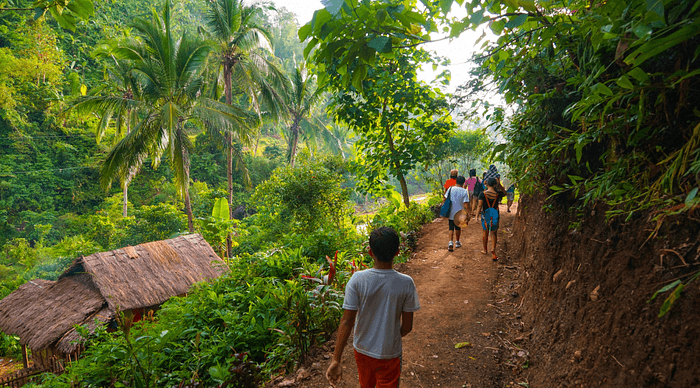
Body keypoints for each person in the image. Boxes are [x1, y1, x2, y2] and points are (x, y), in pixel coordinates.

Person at [326, 227, 420, 388]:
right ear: (397, 252)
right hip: (390, 353)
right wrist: (390, 336)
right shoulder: (406, 283)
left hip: (362, 351)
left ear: (370, 252)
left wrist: (336, 359)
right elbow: (407, 326)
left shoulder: (358, 280)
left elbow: (347, 321)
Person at [477, 178, 505, 261]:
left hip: (485, 215)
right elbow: (505, 193)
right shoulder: (498, 193)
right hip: (495, 214)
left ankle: (485, 250)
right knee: (494, 233)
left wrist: (476, 216)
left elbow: (479, 205)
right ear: (495, 184)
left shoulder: (482, 194)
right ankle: (493, 249)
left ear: (487, 184)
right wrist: (499, 184)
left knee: (485, 232)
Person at [444, 176, 470, 252]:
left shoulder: (450, 188)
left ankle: (450, 242)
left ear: (456, 182)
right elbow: (466, 204)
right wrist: (468, 213)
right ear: (463, 183)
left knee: (451, 227)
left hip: (451, 211)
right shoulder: (464, 191)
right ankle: (457, 242)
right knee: (458, 227)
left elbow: (445, 198)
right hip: (459, 212)